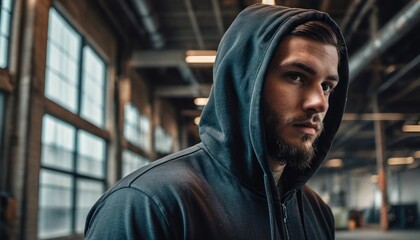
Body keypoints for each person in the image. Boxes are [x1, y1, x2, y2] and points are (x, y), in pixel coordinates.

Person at [85, 3, 348, 239]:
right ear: (243, 83)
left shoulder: (317, 212)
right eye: (296, 76)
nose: (320, 103)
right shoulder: (148, 205)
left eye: (326, 86)